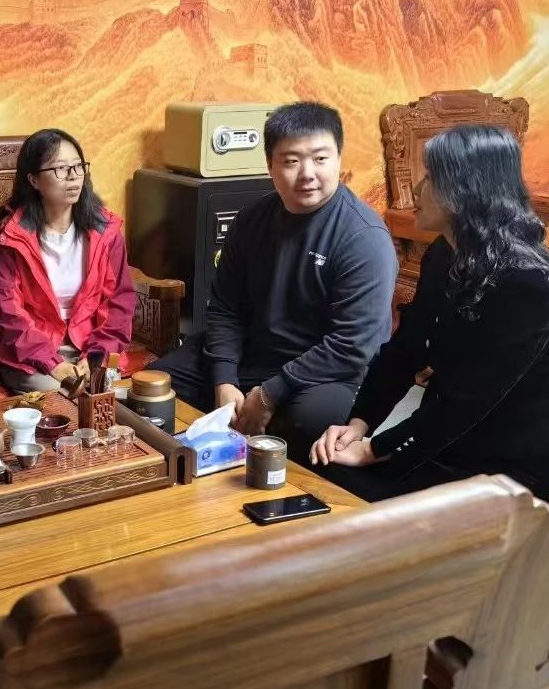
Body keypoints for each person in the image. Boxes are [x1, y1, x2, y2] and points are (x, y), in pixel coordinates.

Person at [310, 124, 549, 501]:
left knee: (358, 500)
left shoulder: (525, 280)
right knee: (325, 473)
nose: (417, 190)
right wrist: (358, 424)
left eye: (430, 178)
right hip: (448, 439)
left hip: (510, 458)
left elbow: (471, 400)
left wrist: (374, 449)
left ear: (464, 189)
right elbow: (405, 350)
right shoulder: (444, 252)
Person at [148, 102, 397, 452]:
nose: (307, 173)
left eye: (320, 159)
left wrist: (270, 393)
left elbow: (351, 345)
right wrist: (224, 378)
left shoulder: (363, 236)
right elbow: (225, 308)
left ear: (339, 159)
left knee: (309, 423)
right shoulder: (251, 219)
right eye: (291, 161)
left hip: (323, 371)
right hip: (253, 351)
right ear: (269, 165)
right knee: (155, 388)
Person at [0, 128, 136, 393]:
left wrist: (95, 358)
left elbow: (119, 302)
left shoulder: (105, 230)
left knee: (108, 392)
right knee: (64, 394)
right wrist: (52, 363)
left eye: (78, 166)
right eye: (60, 168)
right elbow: (8, 312)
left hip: (93, 347)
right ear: (33, 180)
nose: (73, 176)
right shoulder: (11, 235)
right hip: (32, 354)